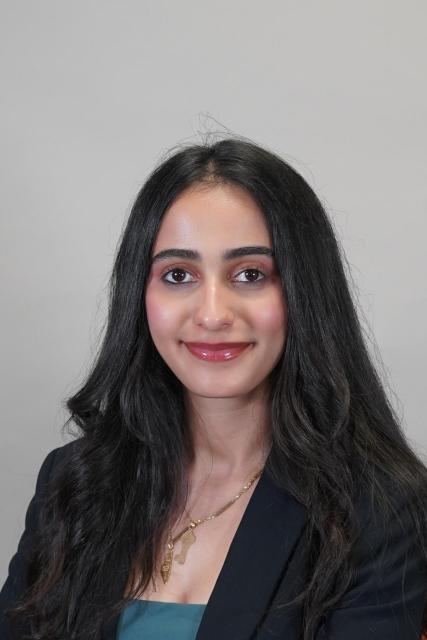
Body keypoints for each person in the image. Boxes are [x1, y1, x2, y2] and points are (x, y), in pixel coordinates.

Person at [1, 136, 426, 640]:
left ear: (305, 291)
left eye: (250, 274)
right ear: (139, 293)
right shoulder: (72, 481)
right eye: (178, 274)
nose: (212, 314)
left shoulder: (380, 509)